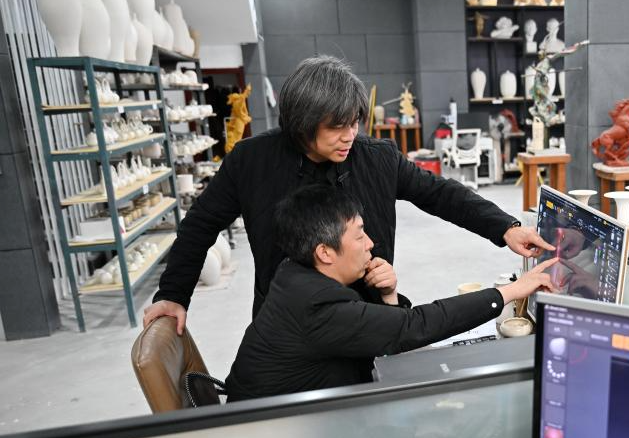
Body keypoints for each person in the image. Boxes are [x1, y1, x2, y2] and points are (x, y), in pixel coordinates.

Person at [144, 56, 552, 334]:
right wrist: (173, 295)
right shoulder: (252, 161)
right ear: (302, 123)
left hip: (368, 317)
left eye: (354, 122)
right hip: (288, 325)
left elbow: (440, 193)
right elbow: (201, 224)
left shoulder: (376, 158)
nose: (349, 136)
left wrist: (506, 228)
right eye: (336, 126)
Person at [224, 186, 557, 400]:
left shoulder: (294, 272)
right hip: (272, 435)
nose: (370, 243)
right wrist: (511, 290)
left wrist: (388, 295)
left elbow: (385, 331)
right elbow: (411, 328)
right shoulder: (316, 305)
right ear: (325, 252)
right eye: (359, 235)